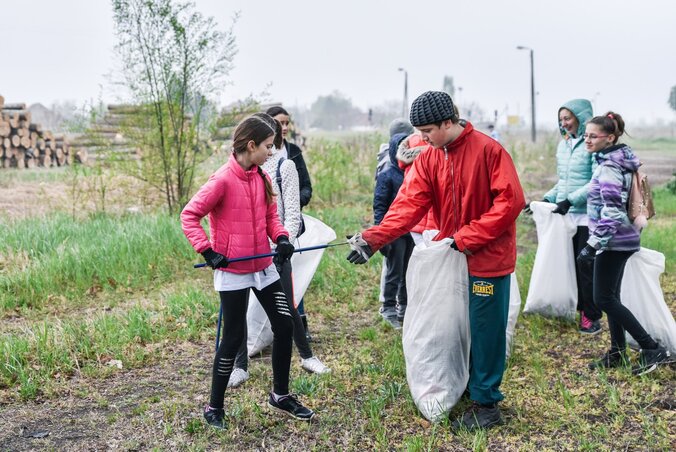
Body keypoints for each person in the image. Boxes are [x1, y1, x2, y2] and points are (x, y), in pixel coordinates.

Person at [347, 91, 525, 430]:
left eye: (427, 130)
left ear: (448, 122)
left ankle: (487, 404)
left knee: (485, 329)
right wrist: (373, 239)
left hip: (487, 259)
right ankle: (456, 384)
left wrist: (468, 236)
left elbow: (510, 202)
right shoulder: (429, 158)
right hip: (452, 256)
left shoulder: (489, 151)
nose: (422, 138)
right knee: (451, 324)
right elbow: (408, 205)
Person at [180, 114, 315, 430]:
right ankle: (214, 407)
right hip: (233, 271)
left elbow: (271, 218)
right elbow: (189, 216)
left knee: (284, 326)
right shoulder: (222, 180)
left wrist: (281, 238)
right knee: (234, 338)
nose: (271, 152)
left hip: (263, 267)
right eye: (268, 146)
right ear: (251, 145)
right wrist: (208, 250)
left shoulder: (262, 178)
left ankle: (280, 395)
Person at [228, 115, 331, 388]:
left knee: (288, 306)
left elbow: (292, 213)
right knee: (237, 312)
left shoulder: (284, 167)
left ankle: (307, 356)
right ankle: (240, 366)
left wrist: (284, 241)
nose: (269, 148)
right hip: (245, 253)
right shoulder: (242, 168)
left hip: (276, 252)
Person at [581, 112, 671, 375]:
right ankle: (618, 352)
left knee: (603, 298)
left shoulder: (609, 166)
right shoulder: (618, 160)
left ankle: (651, 348)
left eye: (592, 136)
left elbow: (612, 211)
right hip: (622, 237)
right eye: (585, 135)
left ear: (609, 137)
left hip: (614, 240)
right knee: (611, 296)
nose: (587, 140)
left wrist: (592, 245)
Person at [529, 99, 602, 335]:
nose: (564, 123)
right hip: (566, 215)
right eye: (561, 119)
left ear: (581, 117)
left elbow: (596, 182)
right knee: (568, 263)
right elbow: (564, 180)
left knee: (585, 265)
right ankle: (575, 306)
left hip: (586, 215)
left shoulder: (591, 144)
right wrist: (548, 199)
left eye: (568, 118)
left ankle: (590, 315)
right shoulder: (564, 145)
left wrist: (571, 200)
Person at [265, 106, 315, 340]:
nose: (283, 128)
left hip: (290, 226)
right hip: (269, 229)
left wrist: (295, 200)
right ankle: (268, 330)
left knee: (291, 277)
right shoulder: (262, 157)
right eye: (278, 123)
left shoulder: (293, 152)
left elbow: (305, 185)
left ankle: (299, 328)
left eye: (286, 123)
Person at [373, 130, 415, 328]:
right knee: (394, 271)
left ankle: (404, 306)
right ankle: (388, 307)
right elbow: (379, 206)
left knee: (409, 270)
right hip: (393, 232)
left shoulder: (414, 172)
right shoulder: (387, 174)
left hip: (412, 230)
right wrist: (381, 235)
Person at [396, 134, 438, 246]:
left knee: (423, 257)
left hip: (415, 219)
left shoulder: (410, 143)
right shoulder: (440, 148)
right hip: (438, 222)